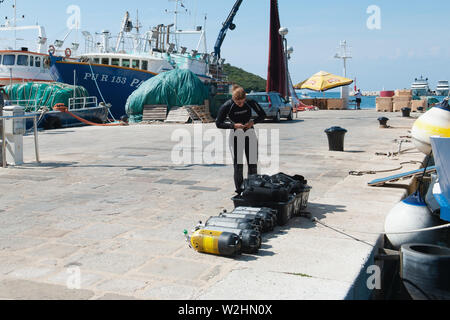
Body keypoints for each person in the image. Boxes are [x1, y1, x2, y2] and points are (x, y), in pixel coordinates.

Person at [216, 85, 267, 195]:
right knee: (238, 165)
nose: (241, 104)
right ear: (233, 99)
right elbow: (218, 123)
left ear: (245, 98)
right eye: (238, 103)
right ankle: (239, 190)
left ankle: (252, 188)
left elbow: (262, 115)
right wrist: (233, 126)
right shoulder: (227, 105)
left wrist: (252, 122)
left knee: (252, 163)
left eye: (242, 102)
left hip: (250, 132)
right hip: (236, 134)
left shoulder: (250, 101)